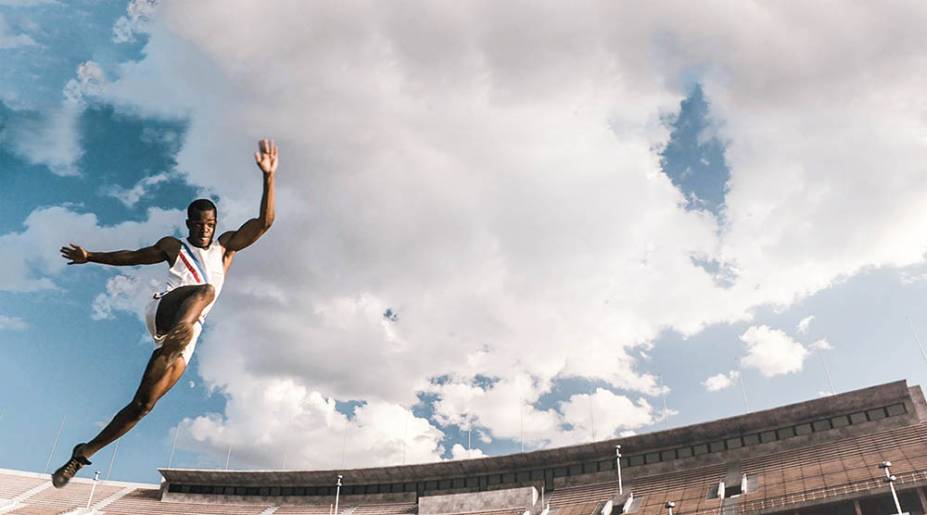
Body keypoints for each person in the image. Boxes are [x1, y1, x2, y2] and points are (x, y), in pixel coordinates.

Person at [51, 139, 279, 488]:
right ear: (189, 223)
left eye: (211, 224)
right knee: (205, 291)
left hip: (189, 330)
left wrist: (268, 178)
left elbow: (263, 224)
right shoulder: (175, 246)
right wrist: (91, 256)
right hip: (168, 308)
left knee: (143, 405)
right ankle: (179, 332)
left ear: (216, 225)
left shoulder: (225, 249)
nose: (205, 229)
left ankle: (82, 454)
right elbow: (133, 255)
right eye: (200, 224)